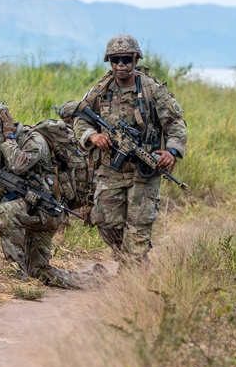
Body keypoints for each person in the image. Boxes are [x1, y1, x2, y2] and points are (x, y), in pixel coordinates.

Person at [71, 34, 187, 265]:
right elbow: (80, 118)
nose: (121, 65)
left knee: (137, 228)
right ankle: (128, 257)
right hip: (111, 169)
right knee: (105, 222)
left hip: (144, 170)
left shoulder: (152, 89)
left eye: (126, 59)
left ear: (135, 59)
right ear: (109, 62)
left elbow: (176, 123)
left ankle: (133, 272)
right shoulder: (100, 90)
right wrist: (93, 135)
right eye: (115, 60)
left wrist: (171, 152)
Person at [0, 101, 81, 288]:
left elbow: (19, 165)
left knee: (7, 212)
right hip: (33, 208)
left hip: (46, 210)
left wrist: (7, 137)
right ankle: (92, 281)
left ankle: (15, 275)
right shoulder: (3, 146)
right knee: (38, 270)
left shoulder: (32, 140)